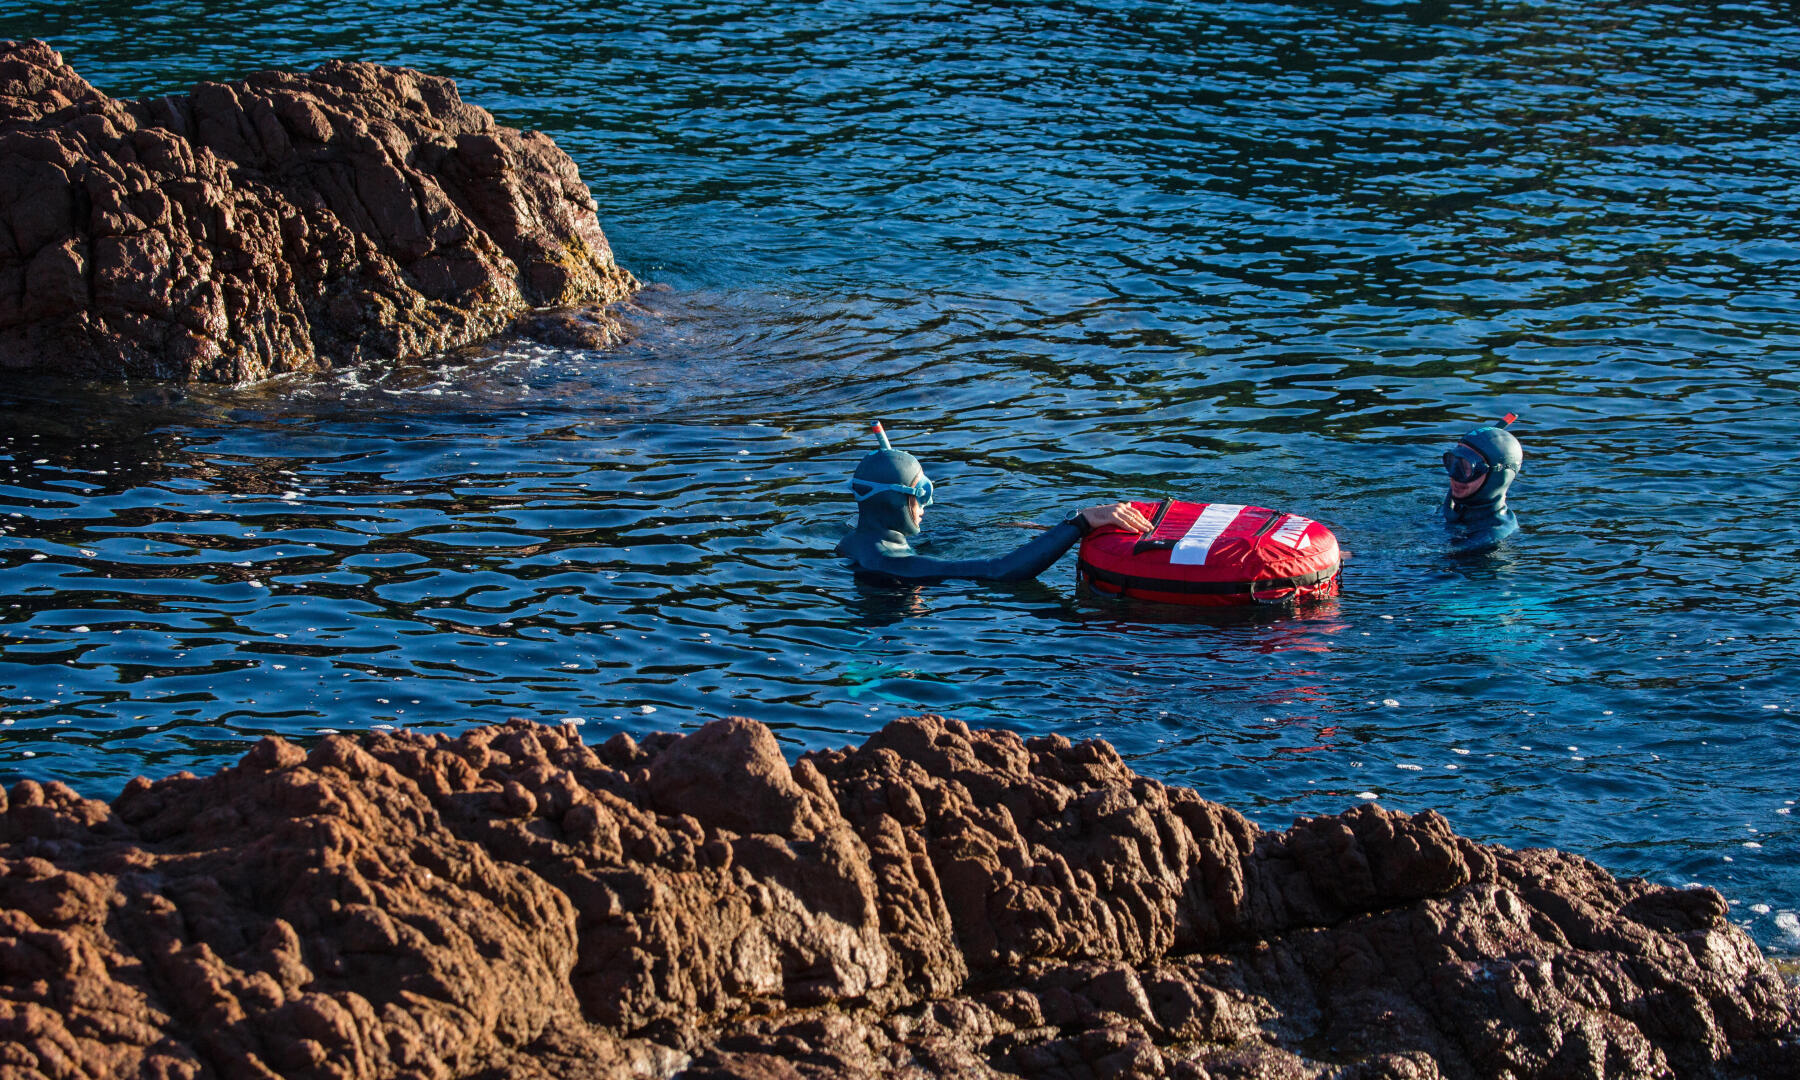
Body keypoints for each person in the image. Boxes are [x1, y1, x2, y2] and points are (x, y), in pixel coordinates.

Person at [836, 423, 1152, 582]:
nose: (926, 506)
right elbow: (1000, 572)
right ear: (892, 501)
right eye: (922, 494)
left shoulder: (853, 542)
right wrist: (1080, 522)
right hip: (899, 645)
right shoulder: (892, 563)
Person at [1442, 414, 1523, 554]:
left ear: (1496, 478)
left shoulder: (1490, 539)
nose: (1453, 475)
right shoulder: (1457, 507)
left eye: (1466, 467)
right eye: (1453, 462)